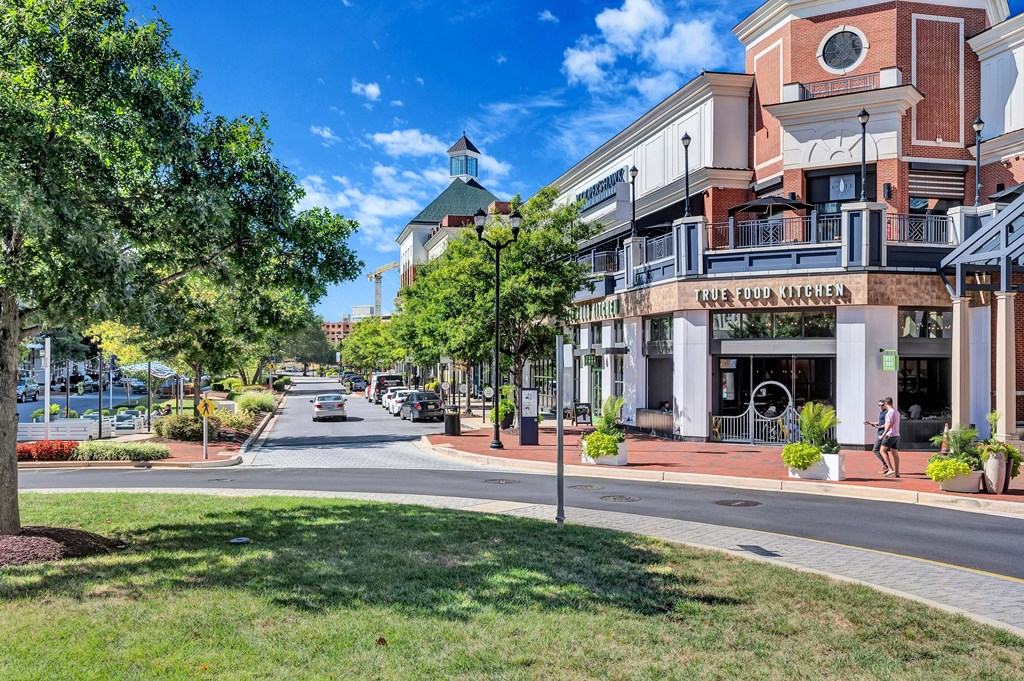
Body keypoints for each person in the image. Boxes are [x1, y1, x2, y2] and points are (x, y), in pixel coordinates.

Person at [863, 400, 890, 475]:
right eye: (879, 405)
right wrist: (870, 423)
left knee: (875, 449)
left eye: (882, 405)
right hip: (881, 433)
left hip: (883, 434)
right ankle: (887, 466)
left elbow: (887, 424)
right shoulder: (882, 413)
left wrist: (879, 427)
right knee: (884, 451)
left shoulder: (886, 413)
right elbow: (879, 422)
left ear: (885, 405)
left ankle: (886, 466)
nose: (880, 407)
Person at [879, 396, 901, 478]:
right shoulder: (896, 412)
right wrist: (880, 426)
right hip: (896, 434)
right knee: (894, 453)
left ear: (885, 404)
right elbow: (892, 423)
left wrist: (882, 435)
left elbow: (889, 425)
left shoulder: (889, 413)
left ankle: (891, 469)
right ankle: (897, 472)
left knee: (882, 451)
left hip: (890, 434)